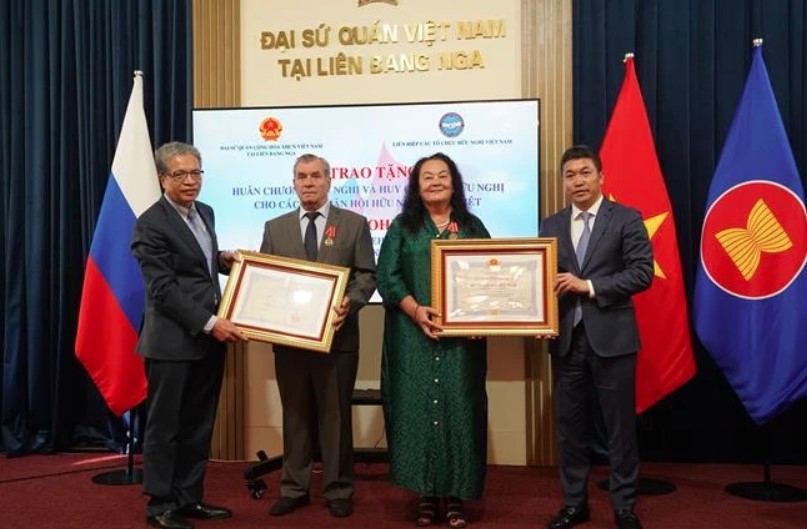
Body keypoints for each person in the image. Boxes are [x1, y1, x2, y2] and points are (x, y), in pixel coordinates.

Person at [131, 141, 248, 529]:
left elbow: (195, 265)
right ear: (163, 178)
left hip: (206, 340)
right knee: (166, 427)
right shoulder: (150, 223)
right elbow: (163, 289)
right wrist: (213, 323)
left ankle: (188, 497)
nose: (190, 180)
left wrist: (223, 261)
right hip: (173, 342)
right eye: (180, 174)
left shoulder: (206, 213)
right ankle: (160, 505)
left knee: (199, 423)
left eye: (196, 172)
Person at [539, 145, 653, 529]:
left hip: (614, 341)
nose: (577, 181)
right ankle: (575, 504)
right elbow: (540, 281)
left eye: (585, 172)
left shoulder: (626, 218)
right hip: (566, 342)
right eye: (570, 175)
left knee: (619, 429)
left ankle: (624, 506)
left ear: (601, 177)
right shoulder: (550, 225)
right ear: (563, 182)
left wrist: (587, 285)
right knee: (570, 430)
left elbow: (642, 274)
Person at [377, 152, 490, 529]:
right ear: (416, 185)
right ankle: (425, 495)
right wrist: (414, 310)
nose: (436, 181)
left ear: (454, 182)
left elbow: (492, 276)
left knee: (461, 410)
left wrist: (481, 318)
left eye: (443, 175)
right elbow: (387, 277)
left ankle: (456, 496)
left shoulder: (473, 227)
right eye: (428, 176)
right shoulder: (402, 227)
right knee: (417, 411)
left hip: (461, 344)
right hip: (412, 338)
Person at [260, 153, 376, 519]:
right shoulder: (274, 227)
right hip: (290, 342)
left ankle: (339, 488)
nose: (308, 182)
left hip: (338, 341)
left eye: (315, 176)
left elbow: (366, 276)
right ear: (293, 183)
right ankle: (294, 488)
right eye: (301, 176)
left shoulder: (354, 224)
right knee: (295, 415)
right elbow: (265, 280)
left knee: (334, 417)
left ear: (329, 180)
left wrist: (350, 303)